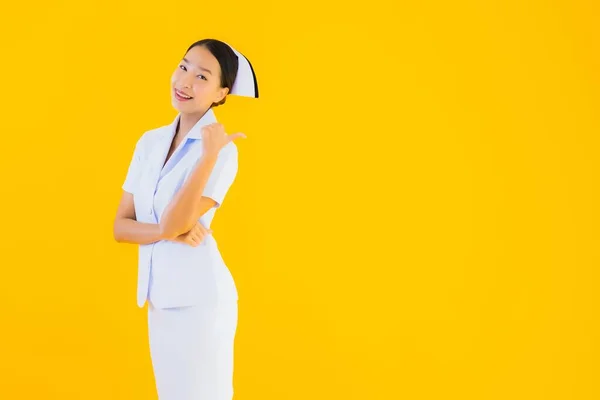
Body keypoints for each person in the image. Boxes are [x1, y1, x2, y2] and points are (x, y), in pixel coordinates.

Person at [113, 38, 259, 400]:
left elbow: (176, 221)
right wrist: (168, 232)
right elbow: (120, 226)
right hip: (161, 300)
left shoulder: (224, 153)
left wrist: (208, 156)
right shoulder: (149, 142)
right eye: (183, 67)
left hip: (202, 303)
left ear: (221, 92)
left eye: (202, 76)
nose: (185, 82)